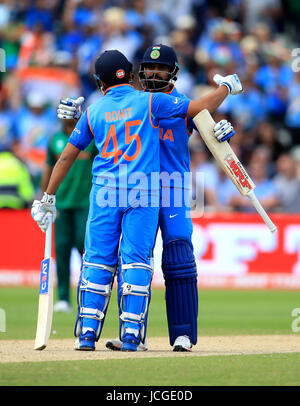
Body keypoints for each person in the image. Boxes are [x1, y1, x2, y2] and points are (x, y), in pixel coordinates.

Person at [34, 49, 241, 352]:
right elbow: (97, 142)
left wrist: (220, 131)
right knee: (133, 260)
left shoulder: (135, 103)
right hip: (143, 191)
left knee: (172, 257)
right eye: (150, 67)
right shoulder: (146, 101)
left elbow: (206, 124)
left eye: (162, 68)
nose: (155, 72)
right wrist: (226, 88)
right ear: (134, 74)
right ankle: (134, 335)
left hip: (163, 190)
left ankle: (177, 334)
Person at [41, 118, 97, 313]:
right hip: (62, 203)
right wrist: (45, 198)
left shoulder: (90, 140)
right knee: (62, 250)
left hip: (85, 203)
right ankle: (63, 298)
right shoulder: (55, 139)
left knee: (85, 247)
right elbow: (48, 168)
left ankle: (88, 294)